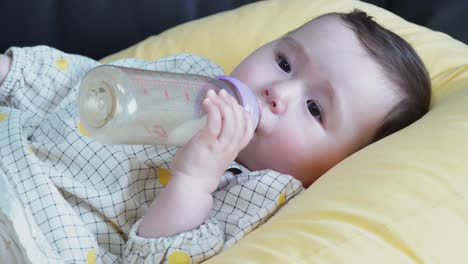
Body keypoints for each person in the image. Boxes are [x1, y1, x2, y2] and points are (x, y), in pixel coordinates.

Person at [0, 9, 431, 264]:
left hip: (35, 235)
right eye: (284, 62)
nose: (277, 93)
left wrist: (194, 178)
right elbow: (77, 82)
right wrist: (11, 72)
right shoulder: (193, 74)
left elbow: (159, 257)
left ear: (337, 167)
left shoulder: (262, 196)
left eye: (315, 109)